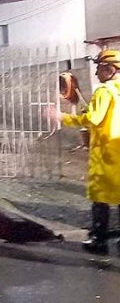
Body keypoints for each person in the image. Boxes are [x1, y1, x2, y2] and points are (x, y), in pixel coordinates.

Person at [50, 50, 120, 254]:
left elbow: (93, 120)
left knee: (100, 198)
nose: (96, 72)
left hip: (106, 154)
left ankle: (99, 241)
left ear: (110, 70)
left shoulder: (104, 91)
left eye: (99, 68)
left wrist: (63, 117)